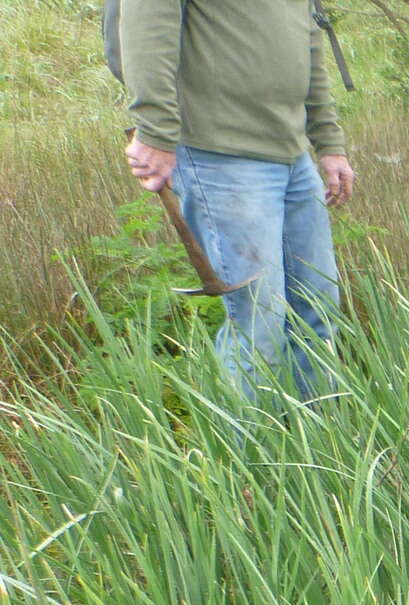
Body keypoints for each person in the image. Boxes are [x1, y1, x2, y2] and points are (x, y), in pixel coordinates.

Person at [120, 0, 356, 399]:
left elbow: (308, 39)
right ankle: (250, 459)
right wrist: (156, 131)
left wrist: (329, 142)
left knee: (318, 315)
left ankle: (325, 452)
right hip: (222, 155)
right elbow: (146, 31)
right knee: (259, 328)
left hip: (293, 155)